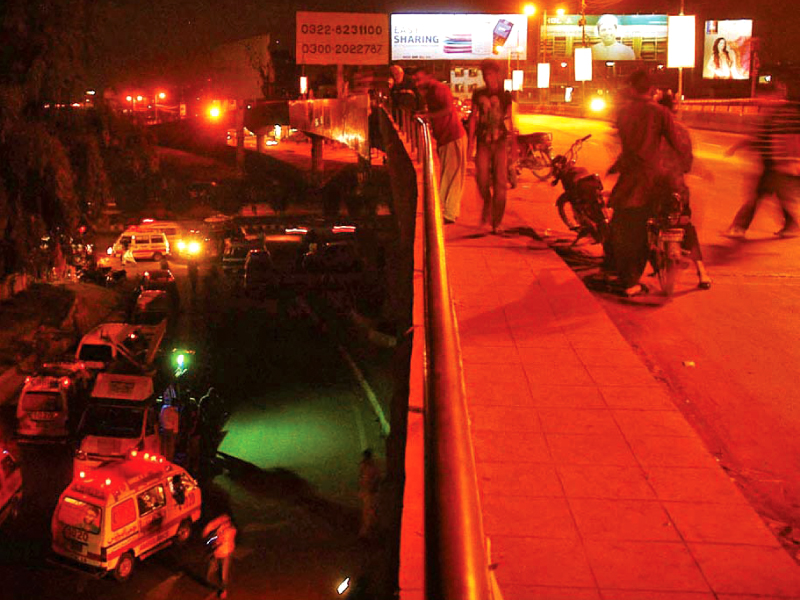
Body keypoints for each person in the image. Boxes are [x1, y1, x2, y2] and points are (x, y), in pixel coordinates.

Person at [607, 70, 683, 297]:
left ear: (631, 88)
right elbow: (676, 145)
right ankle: (631, 281)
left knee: (621, 227)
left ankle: (621, 273)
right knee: (641, 230)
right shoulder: (660, 113)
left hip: (629, 177)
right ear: (653, 90)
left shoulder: (623, 113)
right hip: (650, 179)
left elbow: (626, 147)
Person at [723, 80, 800, 239]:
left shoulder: (785, 113)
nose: (760, 100)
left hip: (777, 166)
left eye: (763, 96)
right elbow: (759, 138)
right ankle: (792, 226)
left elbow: (791, 138)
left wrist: (790, 162)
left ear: (773, 96)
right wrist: (738, 146)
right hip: (770, 165)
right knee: (778, 197)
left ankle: (739, 227)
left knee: (756, 197)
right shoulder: (771, 114)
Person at [655, 93, 712, 289]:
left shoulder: (652, 130)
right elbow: (688, 162)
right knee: (686, 225)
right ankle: (702, 272)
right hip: (678, 187)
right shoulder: (682, 131)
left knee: (643, 220)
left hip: (654, 186)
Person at [413, 66, 468, 225]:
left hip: (453, 137)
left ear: (429, 76)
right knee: (446, 175)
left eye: (419, 78)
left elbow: (448, 109)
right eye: (415, 79)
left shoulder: (439, 89)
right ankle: (440, 207)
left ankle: (450, 213)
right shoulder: (429, 92)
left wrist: (426, 116)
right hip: (445, 138)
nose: (417, 82)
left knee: (453, 177)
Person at [468, 59, 513, 234]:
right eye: (485, 74)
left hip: (501, 142)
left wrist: (513, 149)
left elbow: (511, 121)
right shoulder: (478, 94)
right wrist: (470, 144)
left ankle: (497, 222)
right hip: (483, 142)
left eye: (491, 74)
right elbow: (473, 117)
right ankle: (487, 202)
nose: (488, 77)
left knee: (501, 184)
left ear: (497, 74)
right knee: (481, 179)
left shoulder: (505, 95)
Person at [204, 514, 237, 599]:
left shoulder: (230, 531)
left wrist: (214, 541)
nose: (223, 524)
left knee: (223, 576)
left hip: (225, 554)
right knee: (209, 574)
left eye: (225, 522)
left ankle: (223, 591)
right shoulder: (221, 528)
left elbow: (219, 540)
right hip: (217, 554)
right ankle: (217, 587)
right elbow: (214, 526)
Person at [358, 449, 381, 539]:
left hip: (370, 492)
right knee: (368, 511)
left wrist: (372, 488)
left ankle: (367, 532)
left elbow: (375, 479)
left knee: (369, 511)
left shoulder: (371, 467)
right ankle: (367, 532)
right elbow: (362, 478)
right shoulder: (367, 466)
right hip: (367, 491)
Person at [160, 395, 181, 461]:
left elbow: (160, 417)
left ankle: (162, 458)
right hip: (171, 430)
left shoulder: (164, 408)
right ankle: (169, 460)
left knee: (163, 446)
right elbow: (175, 424)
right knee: (170, 447)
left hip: (163, 429)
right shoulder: (175, 412)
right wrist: (176, 435)